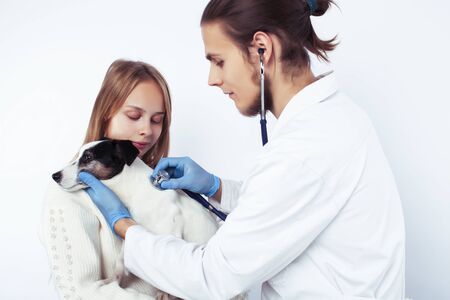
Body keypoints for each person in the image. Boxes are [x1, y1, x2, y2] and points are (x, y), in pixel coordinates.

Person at [80, 0, 406, 299]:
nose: (212, 79)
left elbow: (212, 276)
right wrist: (215, 187)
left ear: (261, 49)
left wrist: (123, 225)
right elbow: (284, 207)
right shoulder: (337, 117)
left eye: (219, 61)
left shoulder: (306, 148)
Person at [41, 59, 173, 299]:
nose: (147, 129)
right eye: (134, 116)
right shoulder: (67, 196)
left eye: (157, 120)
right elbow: (81, 292)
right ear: (105, 115)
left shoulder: (164, 188)